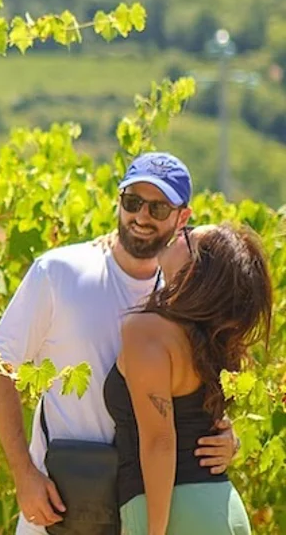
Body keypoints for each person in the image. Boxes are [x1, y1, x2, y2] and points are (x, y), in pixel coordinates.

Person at [0, 152, 239, 534]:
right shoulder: (60, 272)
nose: (141, 216)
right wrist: (24, 474)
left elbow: (196, 389)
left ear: (182, 218)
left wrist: (227, 437)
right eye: (133, 202)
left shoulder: (183, 299)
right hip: (58, 508)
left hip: (142, 513)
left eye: (157, 208)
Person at [106, 221, 272, 535]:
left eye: (188, 234)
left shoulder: (146, 331)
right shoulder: (210, 341)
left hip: (170, 513)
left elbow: (160, 442)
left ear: (194, 268)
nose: (178, 232)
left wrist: (154, 531)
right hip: (222, 507)